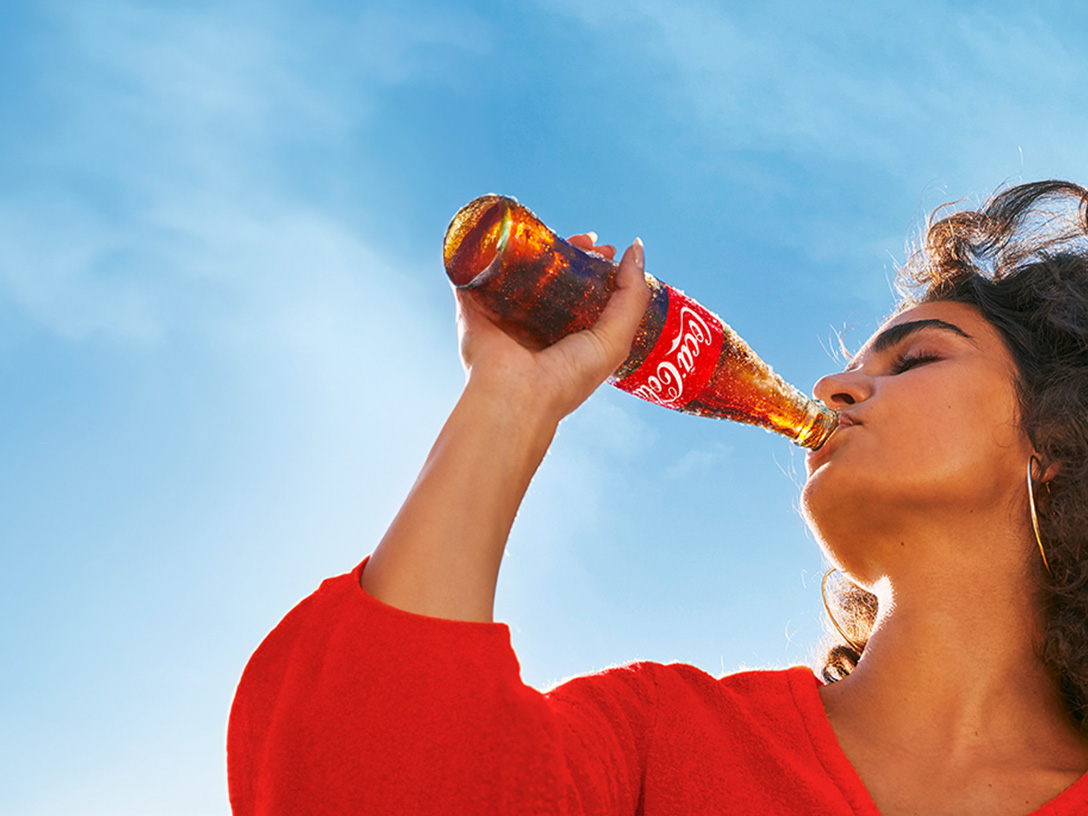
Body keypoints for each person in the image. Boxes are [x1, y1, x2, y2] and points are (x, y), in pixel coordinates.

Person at [228, 181, 1088, 815]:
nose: (833, 385)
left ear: (1059, 441)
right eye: (856, 363)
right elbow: (346, 779)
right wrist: (510, 401)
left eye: (915, 360)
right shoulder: (663, 743)